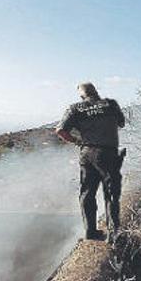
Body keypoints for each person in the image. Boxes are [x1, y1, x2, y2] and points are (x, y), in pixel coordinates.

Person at [56, 83, 125, 240]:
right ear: (96, 91)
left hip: (86, 153)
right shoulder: (111, 104)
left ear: (82, 96)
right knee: (111, 192)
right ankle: (113, 232)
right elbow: (121, 123)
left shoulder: (75, 108)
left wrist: (76, 141)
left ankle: (90, 231)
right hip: (108, 152)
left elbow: (60, 130)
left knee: (87, 192)